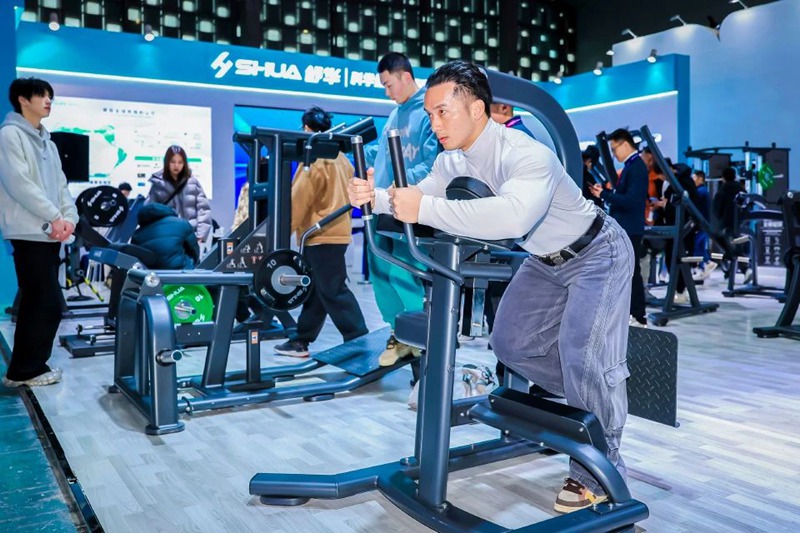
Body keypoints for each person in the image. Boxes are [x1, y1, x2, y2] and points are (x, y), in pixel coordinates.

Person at [348, 60, 634, 514]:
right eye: (430, 114)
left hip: (597, 252)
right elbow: (424, 194)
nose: (434, 124)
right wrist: (377, 197)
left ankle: (598, 468)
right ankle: (598, 386)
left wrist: (422, 209)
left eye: (443, 112)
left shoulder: (526, 154)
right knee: (511, 344)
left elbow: (512, 218)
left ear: (477, 108)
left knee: (583, 357)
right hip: (544, 261)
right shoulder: (451, 160)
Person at [272, 107, 369, 358]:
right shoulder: (342, 158)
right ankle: (301, 340)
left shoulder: (314, 156)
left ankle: (359, 339)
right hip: (338, 231)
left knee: (333, 290)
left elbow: (299, 199)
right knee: (317, 290)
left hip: (320, 234)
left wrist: (281, 234)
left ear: (306, 128)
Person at [0, 77, 78, 387]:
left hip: (50, 233)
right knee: (44, 302)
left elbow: (61, 186)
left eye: (49, 96)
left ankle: (28, 368)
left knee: (41, 302)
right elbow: (19, 184)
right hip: (27, 231)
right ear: (22, 99)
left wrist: (69, 217)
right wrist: (54, 216)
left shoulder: (49, 142)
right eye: (41, 95)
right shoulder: (9, 135)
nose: (48, 101)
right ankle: (24, 371)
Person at [362, 52, 439, 366]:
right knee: (380, 271)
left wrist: (402, 184)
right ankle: (399, 332)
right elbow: (381, 156)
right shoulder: (394, 115)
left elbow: (433, 163)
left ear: (405, 76)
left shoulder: (428, 110)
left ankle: (418, 332)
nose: (386, 92)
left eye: (388, 84)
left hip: (407, 204)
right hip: (380, 203)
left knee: (402, 270)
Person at [590, 129, 648, 327]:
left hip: (631, 228)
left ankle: (638, 315)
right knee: (626, 272)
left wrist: (605, 195)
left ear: (625, 144)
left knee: (632, 272)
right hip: (626, 227)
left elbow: (631, 201)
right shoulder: (631, 166)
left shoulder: (636, 167)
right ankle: (631, 313)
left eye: (614, 149)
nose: (614, 154)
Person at [146, 145, 212, 243]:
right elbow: (149, 212)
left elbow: (203, 209)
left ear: (184, 163)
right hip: (166, 237)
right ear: (167, 162)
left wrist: (201, 235)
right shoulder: (158, 185)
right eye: (173, 162)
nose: (176, 165)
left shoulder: (192, 183)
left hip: (189, 236)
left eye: (180, 162)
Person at [130, 203, 200, 270]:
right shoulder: (181, 223)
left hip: (150, 275)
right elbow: (194, 250)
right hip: (180, 271)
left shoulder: (137, 234)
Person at [691, 170, 716, 280]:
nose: (693, 180)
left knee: (696, 245)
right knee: (700, 246)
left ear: (700, 179)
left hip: (702, 224)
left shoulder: (699, 192)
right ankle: (702, 269)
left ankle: (707, 262)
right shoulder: (704, 191)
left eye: (694, 178)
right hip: (706, 224)